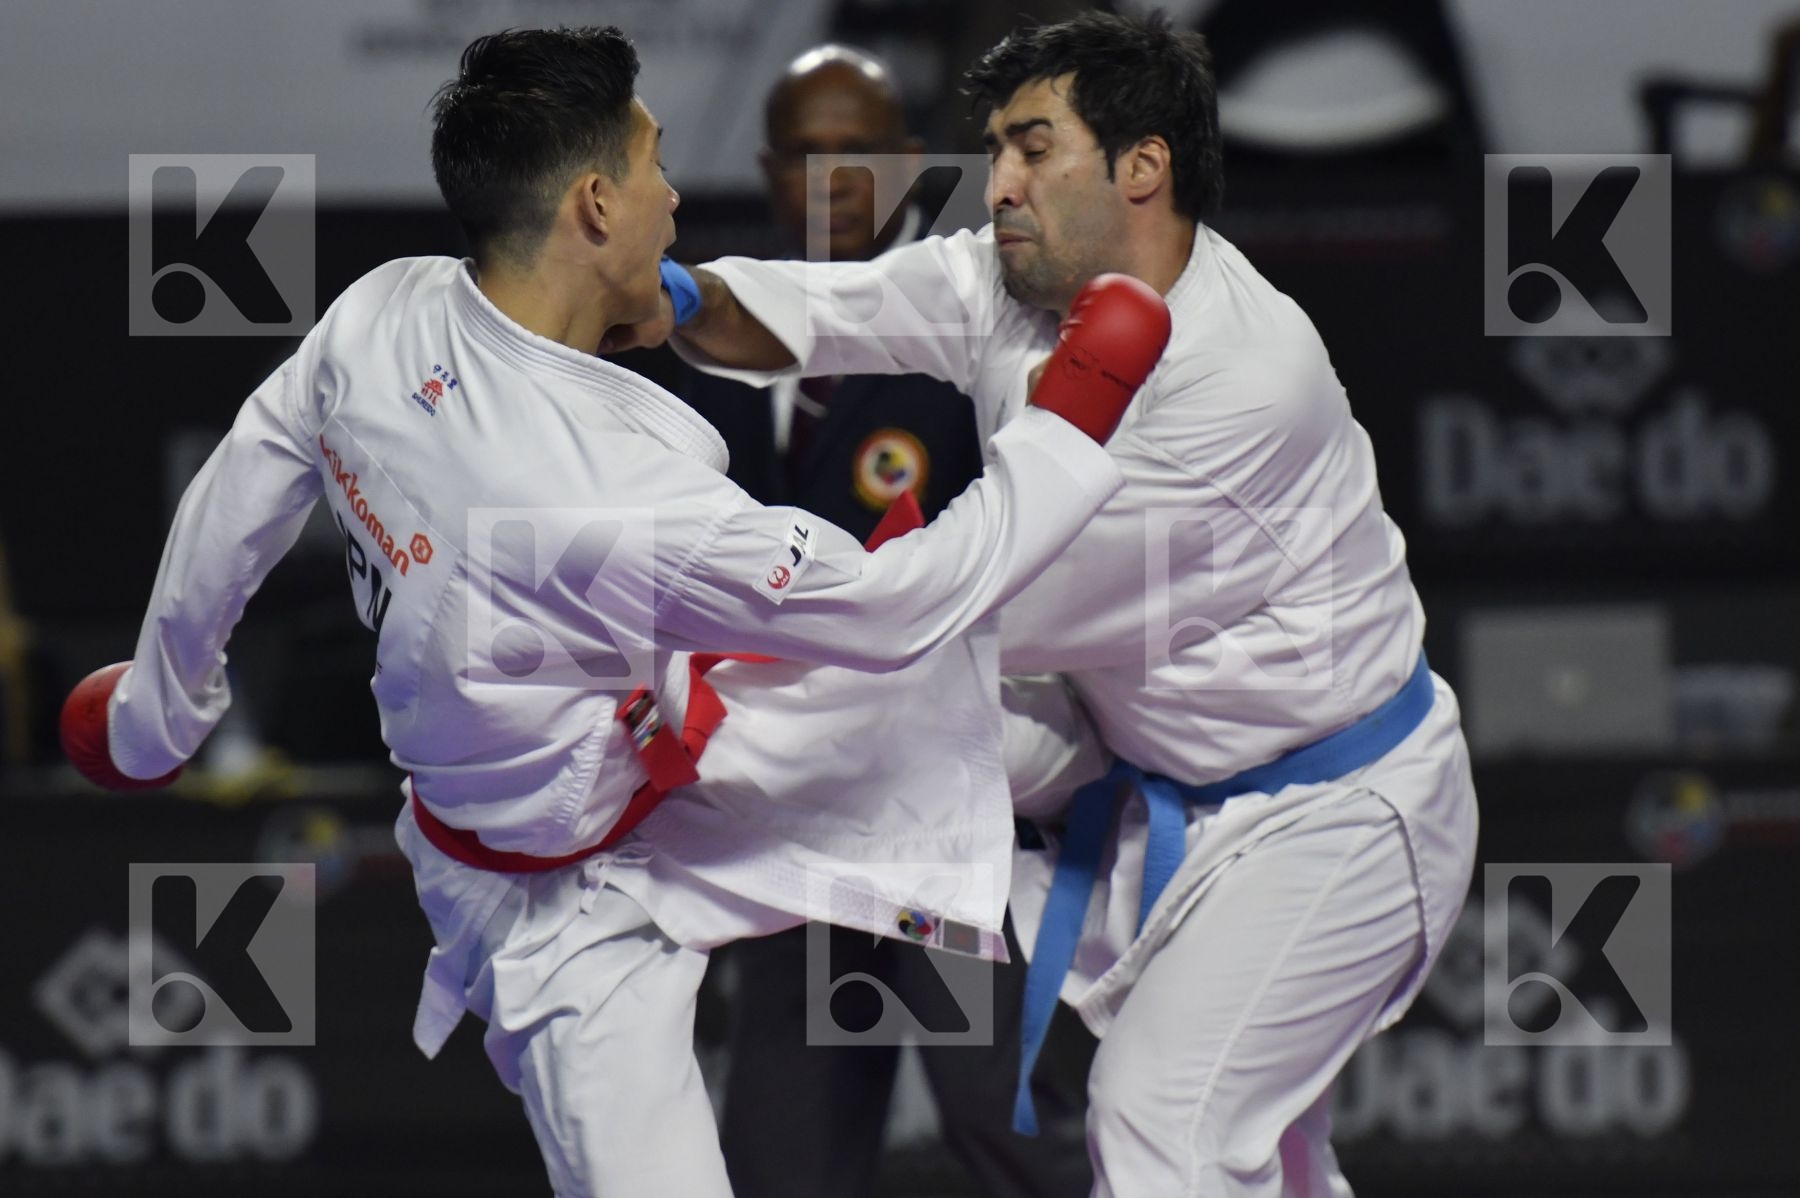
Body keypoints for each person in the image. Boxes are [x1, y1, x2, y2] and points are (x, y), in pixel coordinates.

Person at [56, 26, 1172, 1197]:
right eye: (651, 166)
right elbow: (903, 606)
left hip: (597, 754)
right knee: (914, 685)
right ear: (594, 205)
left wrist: (153, 711)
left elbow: (245, 477)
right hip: (580, 892)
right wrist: (1072, 418)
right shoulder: (608, 497)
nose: (677, 195)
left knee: (933, 751)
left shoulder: (385, 312)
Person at [607, 11, 1481, 1196]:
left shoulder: (1238, 386)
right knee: (1270, 1161)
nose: (998, 181)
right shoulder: (1010, 277)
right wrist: (660, 290)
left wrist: (711, 665)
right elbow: (819, 311)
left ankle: (626, 801)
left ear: (1141, 167)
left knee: (1164, 1125)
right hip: (1165, 775)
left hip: (1338, 813)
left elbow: (958, 603)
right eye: (997, 149)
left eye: (1030, 148)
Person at [673, 44, 1091, 1198]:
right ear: (768, 171)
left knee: (1006, 1131)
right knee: (779, 1162)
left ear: (909, 165)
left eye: (858, 153)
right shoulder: (701, 346)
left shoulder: (982, 327)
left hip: (941, 825)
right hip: (787, 834)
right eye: (806, 154)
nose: (832, 178)